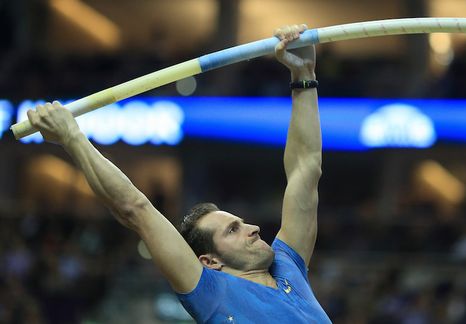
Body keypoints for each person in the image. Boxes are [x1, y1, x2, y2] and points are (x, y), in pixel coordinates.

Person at [26, 24, 330, 323]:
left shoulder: (287, 266)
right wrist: (72, 137)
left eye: (239, 224)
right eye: (233, 230)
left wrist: (303, 75)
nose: (253, 228)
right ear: (210, 262)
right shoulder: (210, 291)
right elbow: (135, 208)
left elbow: (306, 168)